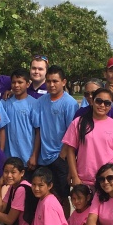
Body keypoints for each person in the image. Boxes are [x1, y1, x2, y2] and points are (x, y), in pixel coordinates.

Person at [62, 87, 113, 188]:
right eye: (99, 101)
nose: (102, 105)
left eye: (107, 103)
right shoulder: (78, 122)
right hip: (84, 180)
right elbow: (70, 150)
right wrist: (75, 176)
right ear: (92, 101)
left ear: (110, 106)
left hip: (107, 182)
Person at [35, 65, 78, 215]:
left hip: (60, 157)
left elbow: (72, 133)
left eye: (55, 81)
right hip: (43, 157)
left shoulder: (70, 103)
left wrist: (62, 157)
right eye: (48, 81)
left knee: (62, 196)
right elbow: (38, 129)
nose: (51, 85)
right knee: (43, 194)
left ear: (64, 82)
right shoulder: (41, 101)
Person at [3, 69, 40, 170]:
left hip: (27, 159)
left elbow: (38, 131)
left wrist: (34, 155)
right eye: (14, 82)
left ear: (27, 84)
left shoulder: (34, 104)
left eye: (20, 82)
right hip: (9, 158)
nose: (16, 85)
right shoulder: (5, 103)